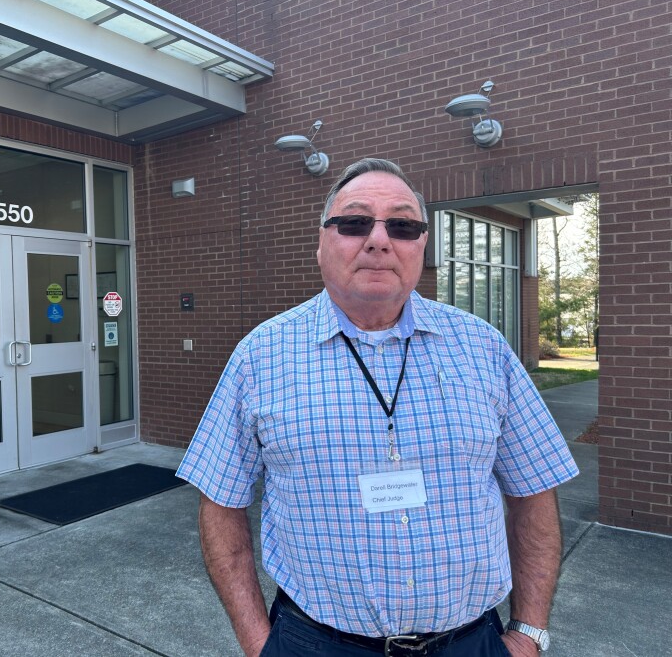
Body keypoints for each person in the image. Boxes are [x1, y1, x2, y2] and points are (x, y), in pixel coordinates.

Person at [177, 158, 578, 657]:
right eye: (355, 222)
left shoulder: (484, 347)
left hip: (472, 642)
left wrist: (530, 631)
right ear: (321, 242)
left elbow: (533, 490)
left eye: (404, 225)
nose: (380, 240)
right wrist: (259, 643)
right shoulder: (260, 356)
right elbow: (220, 503)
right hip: (314, 643)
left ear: (422, 247)